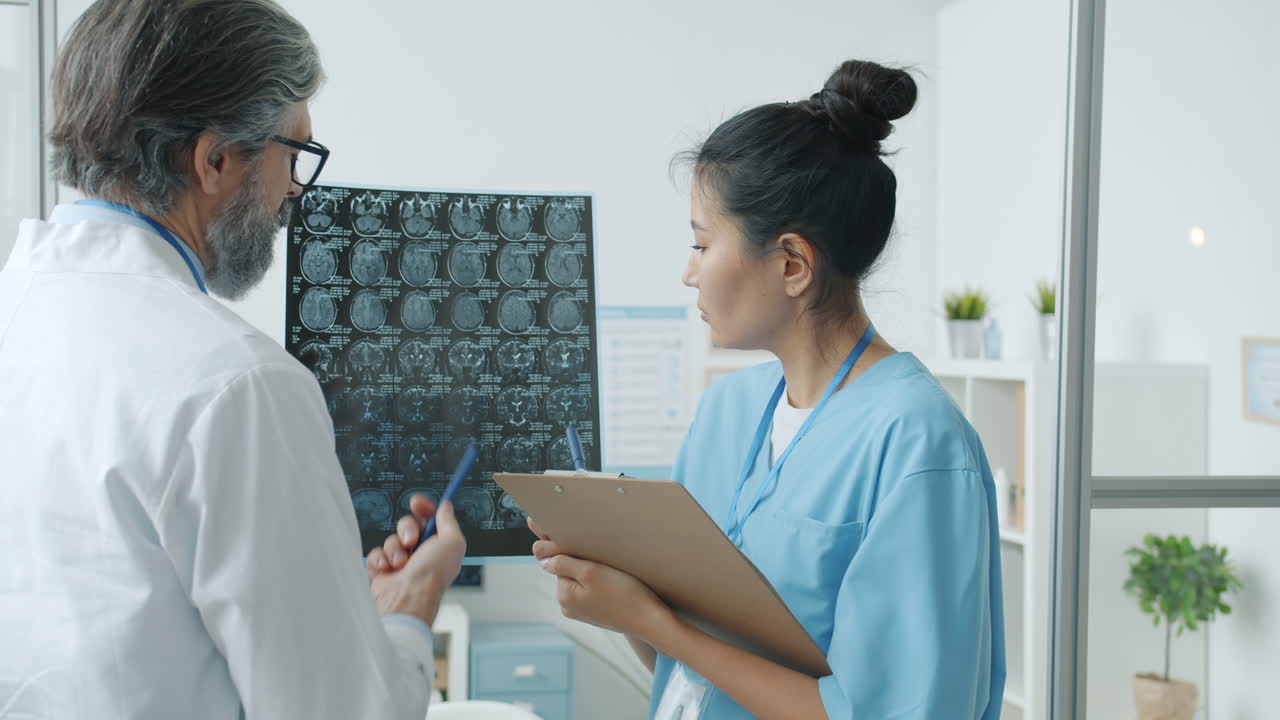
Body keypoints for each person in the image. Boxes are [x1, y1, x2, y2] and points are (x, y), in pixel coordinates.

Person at [0, 1, 464, 718]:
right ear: (214, 159)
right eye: (294, 154)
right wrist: (407, 611)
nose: (293, 195)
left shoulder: (17, 310)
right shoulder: (236, 384)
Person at [535, 60, 1006, 719]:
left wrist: (659, 623)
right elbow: (689, 670)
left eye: (701, 244)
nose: (688, 273)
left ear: (791, 264)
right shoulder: (727, 412)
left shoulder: (918, 446)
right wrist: (620, 600)